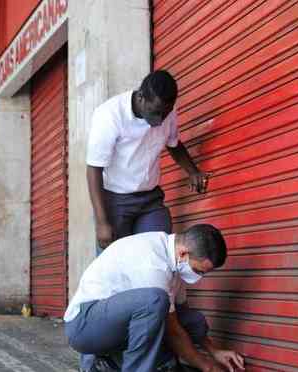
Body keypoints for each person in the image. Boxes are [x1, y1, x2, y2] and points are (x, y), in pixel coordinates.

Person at [64, 224, 245, 372]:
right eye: (198, 270)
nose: (198, 277)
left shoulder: (175, 262)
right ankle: (108, 360)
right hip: (84, 326)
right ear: (183, 253)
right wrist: (207, 367)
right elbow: (172, 330)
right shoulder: (152, 262)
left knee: (191, 319)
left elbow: (182, 316)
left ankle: (114, 360)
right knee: (155, 301)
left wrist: (214, 351)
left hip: (116, 323)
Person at [87, 70, 210, 251]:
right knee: (116, 266)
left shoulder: (167, 110)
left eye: (165, 113)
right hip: (116, 202)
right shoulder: (110, 115)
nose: (160, 120)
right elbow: (94, 169)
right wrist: (102, 222)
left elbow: (173, 144)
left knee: (157, 253)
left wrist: (193, 172)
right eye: (155, 112)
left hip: (150, 200)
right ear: (141, 97)